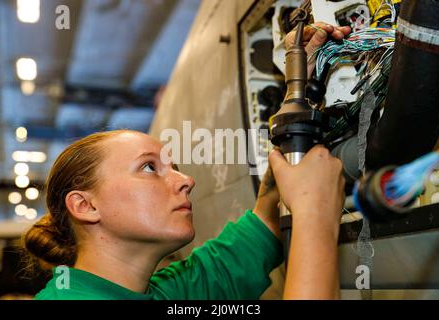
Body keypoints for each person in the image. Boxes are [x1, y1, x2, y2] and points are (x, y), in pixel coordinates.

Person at [22, 22, 349, 300]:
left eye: (174, 167)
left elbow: (262, 226)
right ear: (85, 206)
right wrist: (315, 217)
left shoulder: (163, 291)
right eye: (150, 167)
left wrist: (297, 86)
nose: (186, 180)